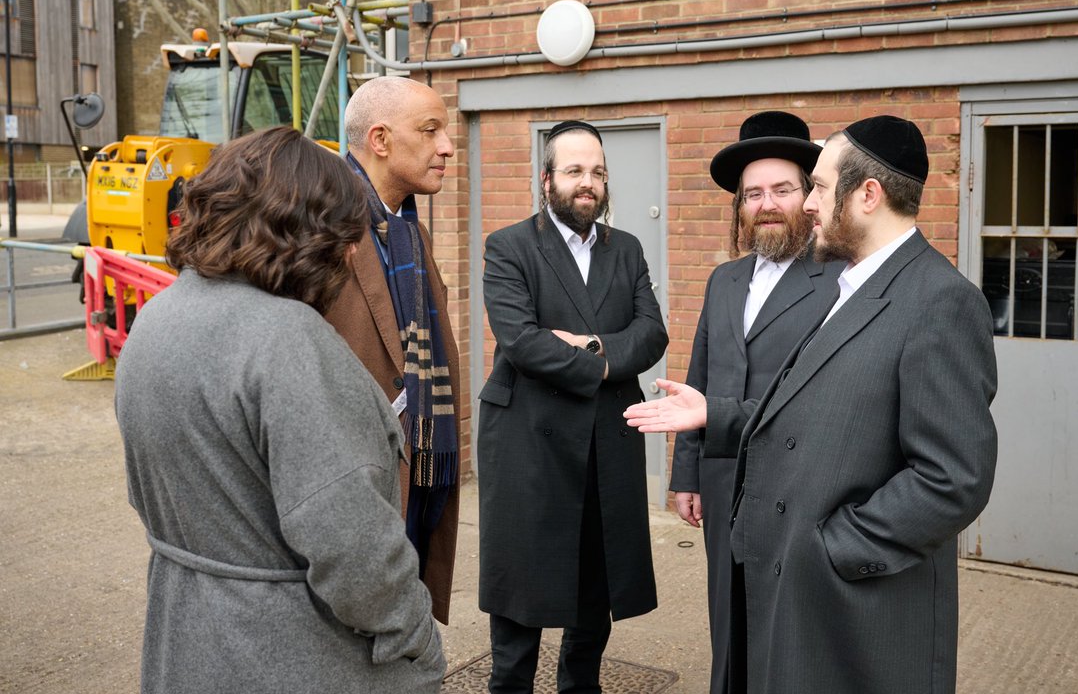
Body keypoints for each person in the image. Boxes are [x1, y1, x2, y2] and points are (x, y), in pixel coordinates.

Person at [628, 115, 999, 694]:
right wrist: (712, 422)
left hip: (846, 581)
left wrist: (835, 546)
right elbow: (804, 411)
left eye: (818, 187)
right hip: (785, 546)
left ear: (868, 195)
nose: (806, 205)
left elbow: (954, 479)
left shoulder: (941, 301)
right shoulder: (854, 284)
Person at [114, 127, 445, 693]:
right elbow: (354, 550)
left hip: (187, 639)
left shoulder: (158, 316)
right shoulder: (287, 339)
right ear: (302, 231)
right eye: (345, 236)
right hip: (296, 656)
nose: (349, 252)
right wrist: (417, 633)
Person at [628, 111, 842, 694]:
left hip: (797, 482)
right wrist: (687, 474)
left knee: (785, 617)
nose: (767, 204)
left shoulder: (841, 280)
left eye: (782, 190)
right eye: (753, 194)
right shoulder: (725, 279)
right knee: (727, 612)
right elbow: (700, 377)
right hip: (724, 481)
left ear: (809, 196)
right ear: (739, 207)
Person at [477, 119, 669, 693]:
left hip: (605, 440)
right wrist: (612, 358)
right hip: (527, 445)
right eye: (575, 171)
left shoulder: (625, 248)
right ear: (547, 179)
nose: (588, 183)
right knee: (521, 599)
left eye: (598, 172)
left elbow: (652, 334)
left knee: (596, 586)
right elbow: (523, 341)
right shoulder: (509, 246)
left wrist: (593, 350)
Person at [325, 75, 460, 625]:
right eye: (430, 130)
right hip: (351, 495)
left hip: (414, 476)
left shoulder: (407, 230)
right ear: (379, 141)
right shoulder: (320, 233)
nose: (447, 146)